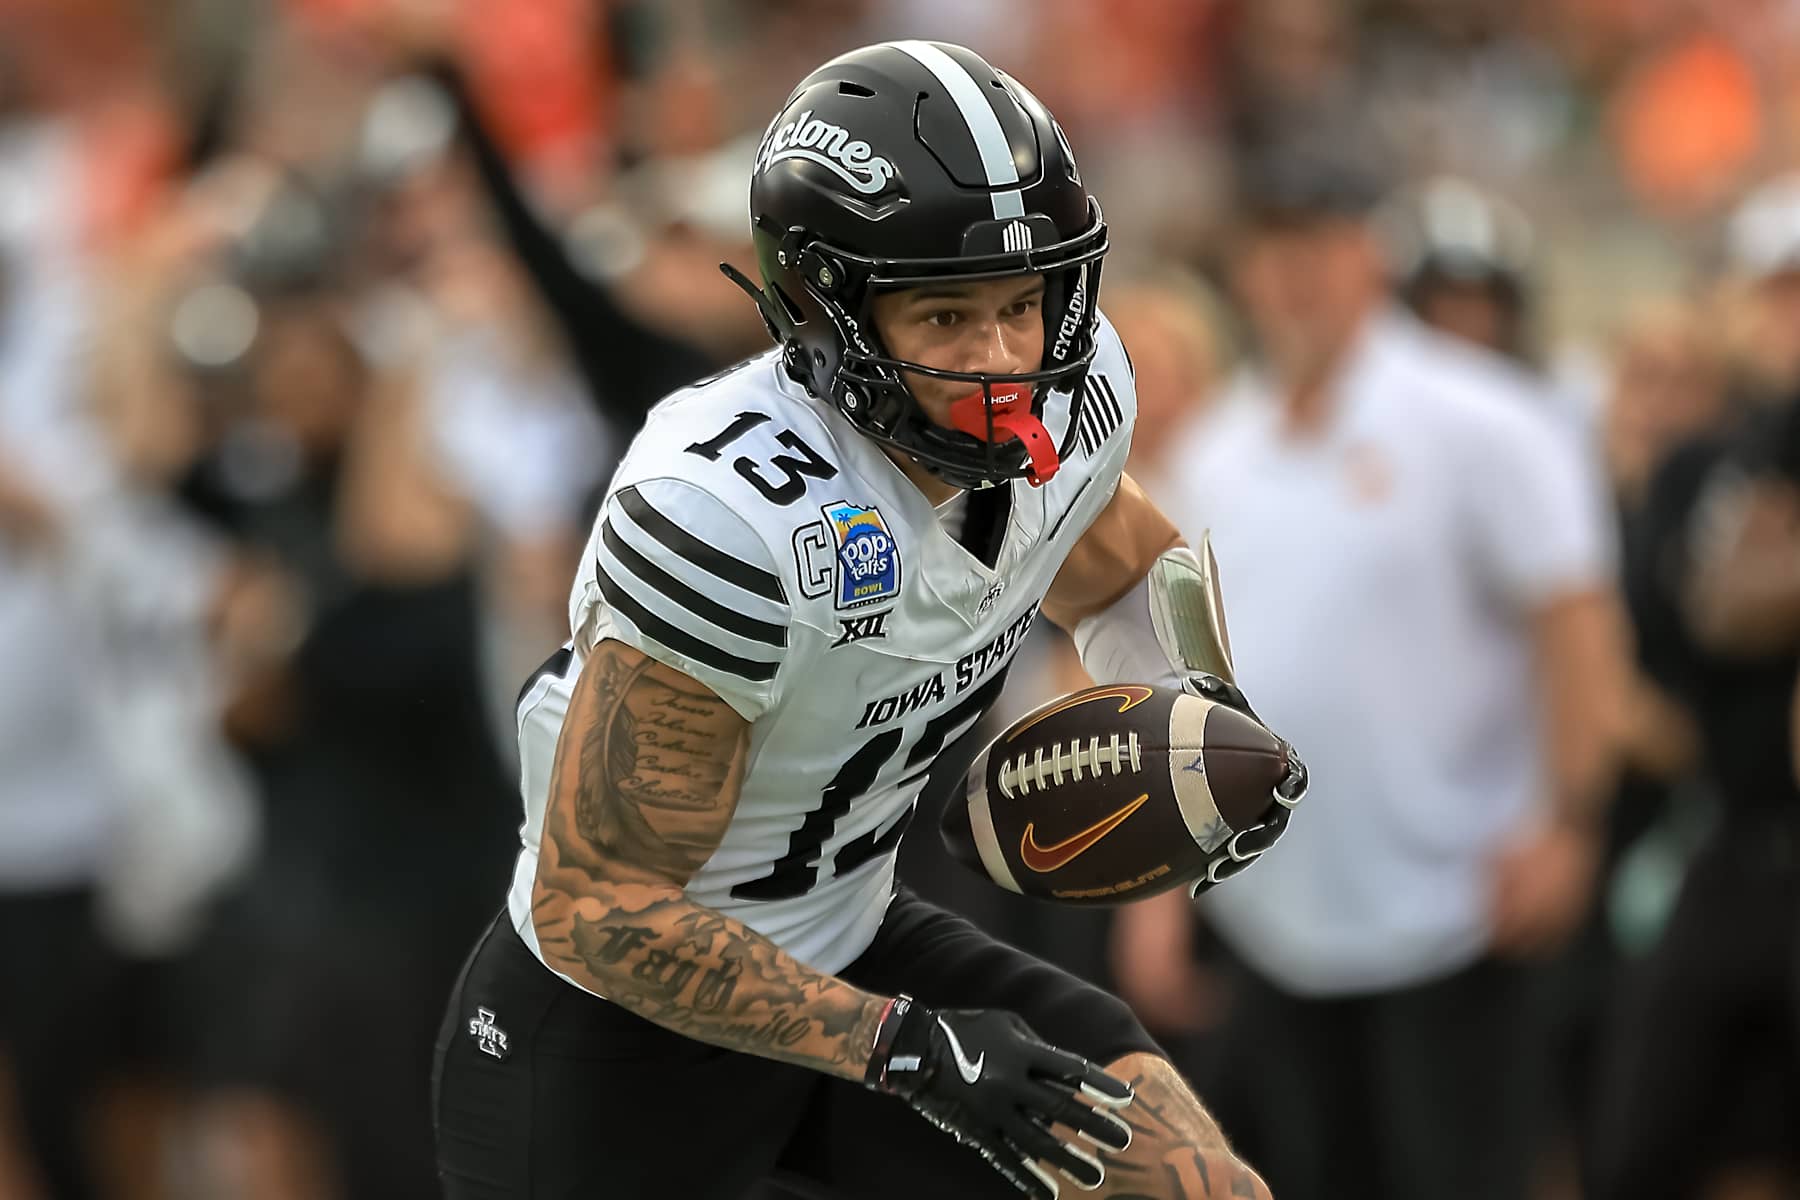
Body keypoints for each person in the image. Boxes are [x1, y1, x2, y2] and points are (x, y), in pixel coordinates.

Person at [433, 40, 1305, 1200]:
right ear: (818, 306)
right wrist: (900, 1048)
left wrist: (1202, 719)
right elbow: (601, 907)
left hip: (852, 935)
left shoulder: (1070, 396)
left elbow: (1108, 560)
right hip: (615, 1046)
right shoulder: (734, 514)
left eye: (1019, 303)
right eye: (944, 315)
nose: (1001, 360)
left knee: (1197, 1189)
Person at [1134, 148, 1627, 1200]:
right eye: (1269, 246)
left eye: (1317, 241)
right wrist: (1167, 887)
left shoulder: (1481, 418)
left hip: (1457, 898)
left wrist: (1573, 819)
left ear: (1368, 255)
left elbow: (1577, 626)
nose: (1292, 272)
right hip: (1278, 913)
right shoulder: (1219, 447)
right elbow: (1192, 673)